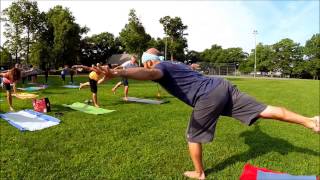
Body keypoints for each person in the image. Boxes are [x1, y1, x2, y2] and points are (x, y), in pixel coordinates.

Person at [99, 48, 319, 180]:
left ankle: (199, 173)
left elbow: (149, 72)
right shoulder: (177, 64)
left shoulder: (161, 67)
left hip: (208, 95)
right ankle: (310, 122)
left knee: (193, 135)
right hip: (222, 86)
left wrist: (120, 71)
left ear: (149, 61)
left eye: (146, 63)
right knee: (264, 110)